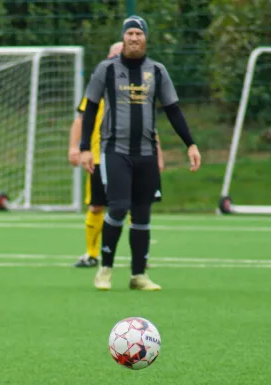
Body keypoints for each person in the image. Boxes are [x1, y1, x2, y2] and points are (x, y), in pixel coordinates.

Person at [79, 16, 201, 290]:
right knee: (119, 207)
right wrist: (84, 147)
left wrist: (190, 144)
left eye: (139, 33)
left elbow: (173, 110)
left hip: (146, 152)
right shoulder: (106, 69)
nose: (134, 38)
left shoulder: (157, 71)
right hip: (115, 150)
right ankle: (105, 269)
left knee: (143, 213)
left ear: (146, 38)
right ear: (124, 38)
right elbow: (89, 109)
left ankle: (138, 275)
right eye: (130, 33)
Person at [68, 41, 164, 268]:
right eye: (114, 55)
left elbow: (149, 125)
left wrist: (157, 154)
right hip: (100, 157)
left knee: (136, 206)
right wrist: (75, 148)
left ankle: (139, 257)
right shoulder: (99, 85)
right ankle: (92, 254)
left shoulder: (136, 88)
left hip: (134, 155)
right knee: (96, 205)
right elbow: (81, 119)